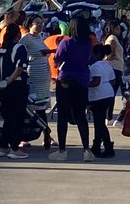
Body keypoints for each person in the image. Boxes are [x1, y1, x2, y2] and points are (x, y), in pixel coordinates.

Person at [50, 14, 95, 162]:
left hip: (66, 80)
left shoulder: (66, 43)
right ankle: (86, 150)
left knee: (62, 115)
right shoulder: (88, 44)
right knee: (81, 115)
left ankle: (62, 150)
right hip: (82, 80)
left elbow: (57, 61)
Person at [0, 25, 30, 159]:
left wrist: (0, 83)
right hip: (17, 86)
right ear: (18, 35)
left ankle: (3, 146)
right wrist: (9, 82)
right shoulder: (19, 48)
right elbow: (20, 68)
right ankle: (15, 148)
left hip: (3, 88)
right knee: (17, 117)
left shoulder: (0, 50)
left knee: (7, 117)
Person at [88, 44, 117, 158]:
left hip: (98, 95)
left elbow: (96, 82)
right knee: (98, 122)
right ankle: (96, 146)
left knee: (99, 123)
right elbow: (113, 81)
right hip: (108, 93)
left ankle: (108, 146)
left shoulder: (94, 67)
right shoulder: (107, 65)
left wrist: (85, 84)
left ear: (95, 54)